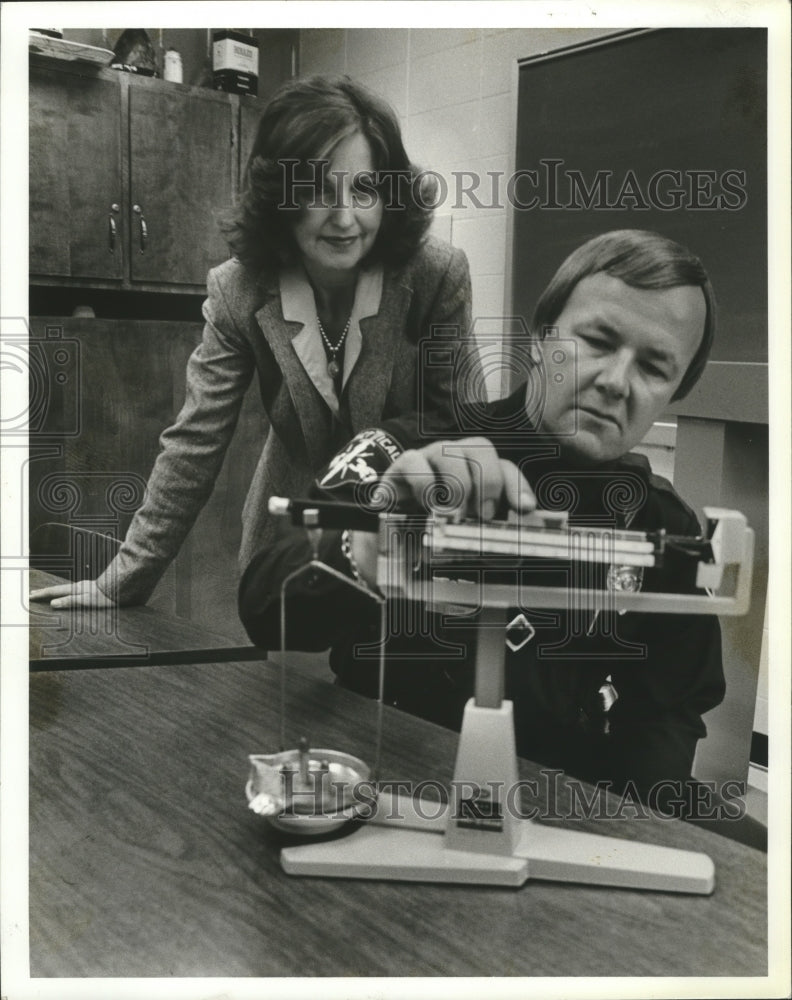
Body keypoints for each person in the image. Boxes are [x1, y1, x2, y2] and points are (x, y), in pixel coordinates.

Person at [239, 229, 732, 814]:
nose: (616, 382)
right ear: (542, 338)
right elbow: (267, 607)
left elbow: (666, 719)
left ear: (677, 390)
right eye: (597, 341)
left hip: (558, 813)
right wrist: (372, 545)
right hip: (393, 792)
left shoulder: (662, 528)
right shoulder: (407, 453)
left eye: (654, 368)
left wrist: (628, 837)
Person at [31, 74, 477, 609]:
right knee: (281, 686)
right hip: (292, 536)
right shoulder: (238, 290)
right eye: (315, 189)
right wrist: (120, 581)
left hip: (413, 537)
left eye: (364, 189)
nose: (344, 217)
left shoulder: (435, 275)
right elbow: (194, 443)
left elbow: (466, 429)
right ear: (279, 197)